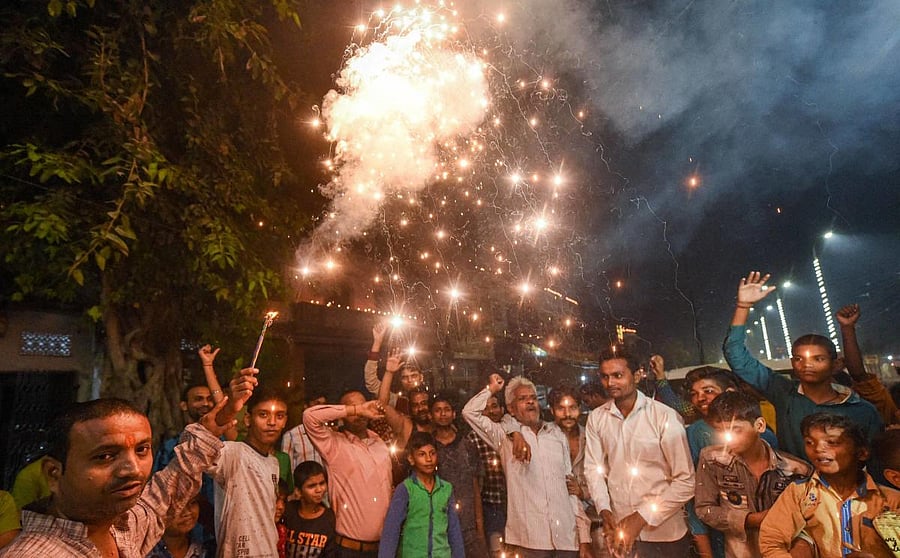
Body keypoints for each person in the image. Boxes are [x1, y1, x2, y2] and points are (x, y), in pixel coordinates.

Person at [0, 365, 254, 557]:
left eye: (142, 450)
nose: (132, 469)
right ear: (54, 473)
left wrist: (214, 425)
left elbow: (165, 495)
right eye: (105, 456)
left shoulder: (122, 527)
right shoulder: (37, 553)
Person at [723, 272, 883, 458]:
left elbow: (875, 459)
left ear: (835, 364)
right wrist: (743, 306)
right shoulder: (783, 392)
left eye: (818, 359)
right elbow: (735, 354)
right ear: (793, 363)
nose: (807, 365)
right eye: (799, 359)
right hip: (795, 485)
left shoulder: (861, 410)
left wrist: (847, 329)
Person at [463, 374, 590, 557]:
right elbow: (469, 412)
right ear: (511, 409)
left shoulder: (556, 435)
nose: (530, 402)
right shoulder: (504, 437)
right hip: (529, 539)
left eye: (533, 398)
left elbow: (569, 488)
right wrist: (491, 389)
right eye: (523, 399)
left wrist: (584, 538)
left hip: (566, 538)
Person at [584, 347, 694, 557]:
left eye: (618, 375)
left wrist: (640, 517)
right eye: (605, 377)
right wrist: (604, 510)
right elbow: (592, 470)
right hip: (620, 532)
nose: (610, 383)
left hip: (664, 534)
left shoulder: (663, 416)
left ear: (636, 375)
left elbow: (686, 482)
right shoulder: (597, 418)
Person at [758, 413, 900, 558]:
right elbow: (772, 541)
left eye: (832, 442)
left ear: (862, 453)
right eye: (810, 442)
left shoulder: (889, 500)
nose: (818, 448)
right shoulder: (800, 493)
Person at [694, 391, 810, 558]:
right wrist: (751, 519)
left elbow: (809, 519)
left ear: (760, 425)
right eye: (721, 431)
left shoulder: (795, 470)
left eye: (736, 430)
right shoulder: (712, 460)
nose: (728, 439)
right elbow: (704, 509)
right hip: (739, 552)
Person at [683, 366, 779, 558]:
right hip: (719, 530)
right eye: (694, 394)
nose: (700, 398)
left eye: (708, 391)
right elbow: (698, 497)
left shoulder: (763, 434)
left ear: (730, 392)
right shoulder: (694, 433)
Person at [303, 391, 391, 557]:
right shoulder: (334, 444)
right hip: (349, 550)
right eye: (354, 408)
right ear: (343, 414)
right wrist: (356, 409)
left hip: (383, 549)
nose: (361, 412)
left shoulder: (379, 443)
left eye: (364, 405)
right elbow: (309, 417)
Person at [207, 385, 289, 557]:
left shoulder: (274, 462)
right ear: (247, 419)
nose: (272, 422)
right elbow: (193, 452)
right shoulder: (233, 453)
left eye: (279, 416)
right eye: (263, 415)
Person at [379, 432, 464, 558]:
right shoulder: (405, 489)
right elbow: (391, 531)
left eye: (432, 453)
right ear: (411, 459)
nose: (429, 459)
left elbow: (454, 531)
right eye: (422, 454)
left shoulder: (446, 489)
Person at [430, 393, 490, 558]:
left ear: (454, 414)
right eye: (438, 410)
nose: (443, 414)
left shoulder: (468, 446)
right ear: (431, 415)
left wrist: (480, 529)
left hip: (468, 526)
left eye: (447, 410)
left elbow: (476, 487)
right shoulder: (428, 449)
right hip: (439, 527)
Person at [548, 386, 598, 558]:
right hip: (559, 522)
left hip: (594, 517)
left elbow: (605, 477)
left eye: (573, 408)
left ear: (580, 408)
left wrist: (583, 492)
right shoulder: (545, 437)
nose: (567, 414)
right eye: (561, 408)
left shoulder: (591, 437)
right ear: (551, 410)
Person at [464, 393, 507, 557]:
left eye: (494, 406)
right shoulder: (473, 438)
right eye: (484, 409)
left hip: (515, 504)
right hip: (491, 505)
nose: (490, 411)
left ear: (502, 409)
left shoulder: (512, 431)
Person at [364, 323, 424, 415]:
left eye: (414, 376)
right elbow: (371, 382)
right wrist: (377, 342)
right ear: (400, 380)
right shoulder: (397, 401)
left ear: (421, 377)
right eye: (405, 377)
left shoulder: (430, 399)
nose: (409, 380)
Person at [282, 461, 335, 558]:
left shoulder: (329, 519)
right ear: (298, 492)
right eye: (311, 486)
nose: (319, 489)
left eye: (322, 483)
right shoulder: (288, 511)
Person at [146, 494, 213, 558]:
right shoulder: (143, 551)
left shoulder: (206, 551)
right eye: (176, 507)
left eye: (192, 502)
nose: (187, 512)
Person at [280, 392, 327, 475]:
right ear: (306, 407)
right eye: (317, 403)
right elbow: (287, 472)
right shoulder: (291, 436)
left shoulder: (329, 434)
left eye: (324, 404)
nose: (321, 408)